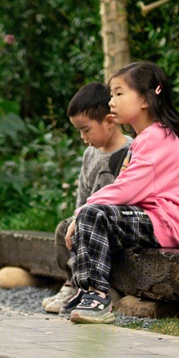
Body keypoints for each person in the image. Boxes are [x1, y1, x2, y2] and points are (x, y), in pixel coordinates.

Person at [64, 61, 179, 324]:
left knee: (92, 214)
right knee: (89, 217)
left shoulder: (157, 139)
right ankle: (86, 289)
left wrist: (82, 211)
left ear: (146, 100)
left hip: (165, 222)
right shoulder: (148, 137)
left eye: (119, 93)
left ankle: (98, 296)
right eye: (112, 94)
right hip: (152, 218)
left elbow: (127, 189)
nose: (111, 101)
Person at [41, 82, 132, 314]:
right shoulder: (90, 154)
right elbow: (83, 195)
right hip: (87, 219)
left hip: (113, 225)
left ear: (109, 122)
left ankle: (88, 287)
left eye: (86, 130)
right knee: (64, 229)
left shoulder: (132, 150)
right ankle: (72, 283)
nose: (83, 137)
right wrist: (75, 218)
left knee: (87, 228)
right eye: (79, 131)